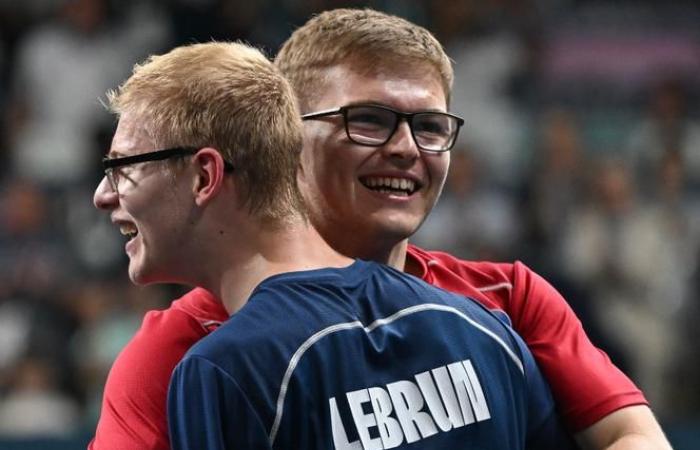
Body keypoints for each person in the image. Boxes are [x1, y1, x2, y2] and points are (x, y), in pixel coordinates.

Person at [89, 8, 671, 450]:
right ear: (285, 136)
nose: (405, 149)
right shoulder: (177, 352)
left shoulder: (505, 301)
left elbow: (634, 435)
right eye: (368, 120)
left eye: (430, 126)